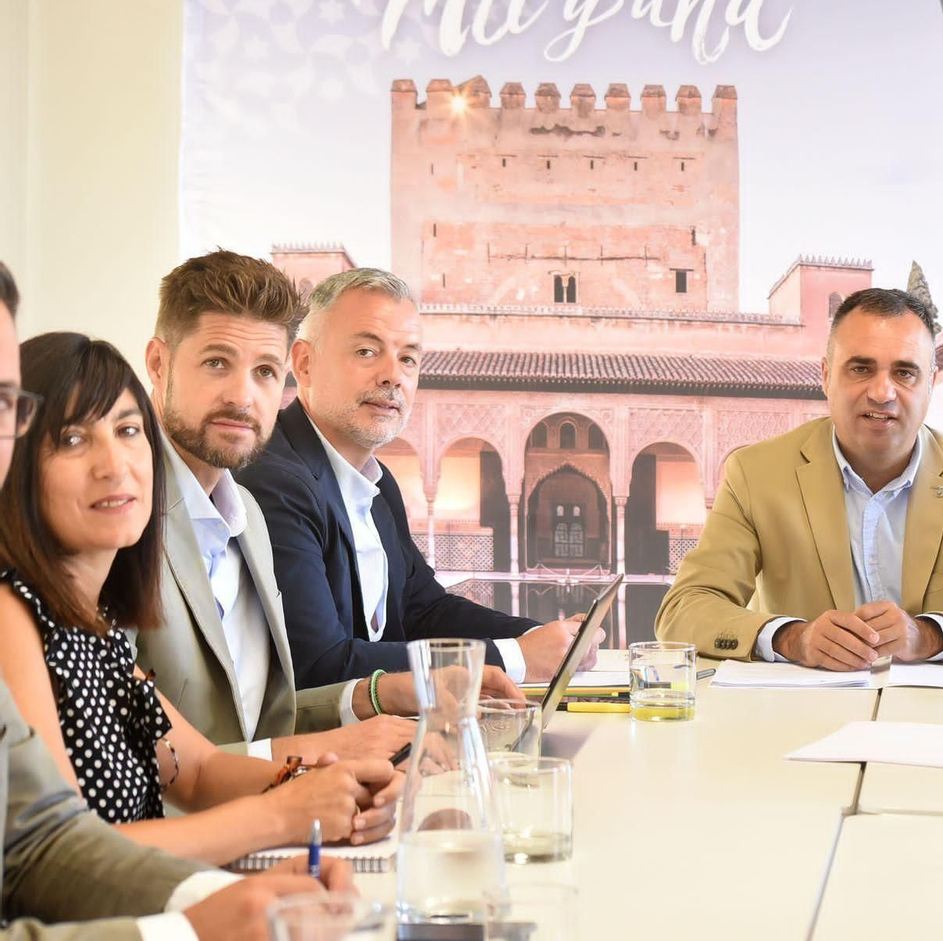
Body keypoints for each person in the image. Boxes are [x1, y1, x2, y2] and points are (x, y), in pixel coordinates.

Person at [0, 260, 359, 941]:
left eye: (127, 431)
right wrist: (279, 818)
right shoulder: (13, 612)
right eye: (72, 439)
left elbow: (197, 768)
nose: (115, 464)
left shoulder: (94, 621)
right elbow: (53, 854)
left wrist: (328, 783)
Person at [655, 288, 943, 668]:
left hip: (939, 716)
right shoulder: (756, 475)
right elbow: (684, 610)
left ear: (931, 384)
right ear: (825, 376)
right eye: (861, 368)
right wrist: (791, 639)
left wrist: (929, 635)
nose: (882, 392)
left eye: (905, 373)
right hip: (803, 712)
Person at [133, 251, 429, 764]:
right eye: (217, 363)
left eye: (265, 371)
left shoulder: (246, 514)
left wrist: (373, 697)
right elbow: (124, 763)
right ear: (159, 364)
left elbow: (258, 719)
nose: (242, 397)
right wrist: (312, 763)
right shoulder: (120, 515)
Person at [237, 268, 591, 688]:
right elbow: (320, 667)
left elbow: (424, 610)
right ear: (304, 364)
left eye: (407, 358)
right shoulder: (274, 481)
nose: (394, 375)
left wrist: (541, 638)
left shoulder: (378, 484)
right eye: (367, 351)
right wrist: (516, 658)